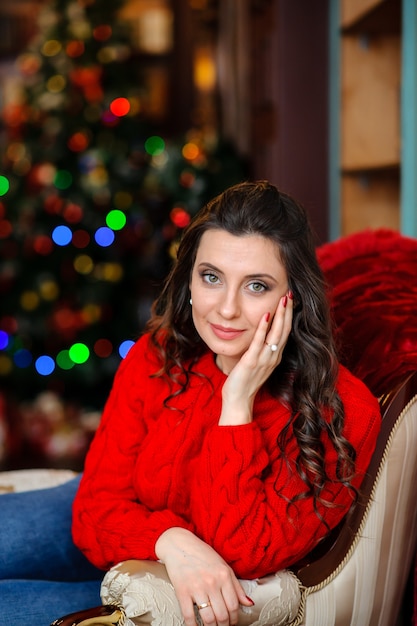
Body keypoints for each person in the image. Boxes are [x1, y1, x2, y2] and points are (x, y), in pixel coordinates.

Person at [0, 181, 381, 626]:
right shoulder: (159, 353)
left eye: (256, 286)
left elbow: (244, 551)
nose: (225, 309)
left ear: (293, 298)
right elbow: (95, 506)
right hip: (122, 528)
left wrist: (236, 402)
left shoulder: (342, 409)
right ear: (190, 276)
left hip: (163, 590)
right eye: (211, 277)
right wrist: (171, 538)